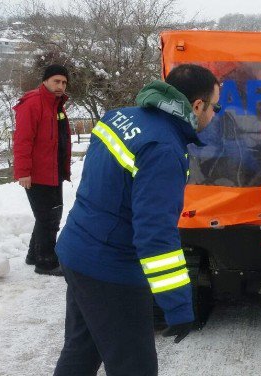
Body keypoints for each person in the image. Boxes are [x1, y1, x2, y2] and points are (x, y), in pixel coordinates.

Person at [53, 64, 220, 375]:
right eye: (215, 107)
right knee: (135, 367)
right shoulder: (163, 148)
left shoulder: (121, 116)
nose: (214, 115)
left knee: (82, 351)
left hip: (79, 250)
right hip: (111, 269)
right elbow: (155, 235)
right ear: (197, 105)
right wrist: (178, 305)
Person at [13, 64, 71, 276]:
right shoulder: (33, 104)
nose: (60, 86)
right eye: (56, 81)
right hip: (38, 173)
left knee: (46, 215)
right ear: (45, 81)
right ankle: (46, 262)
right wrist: (24, 172)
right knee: (50, 218)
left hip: (54, 170)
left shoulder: (56, 104)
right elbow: (22, 140)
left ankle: (33, 255)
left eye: (64, 82)